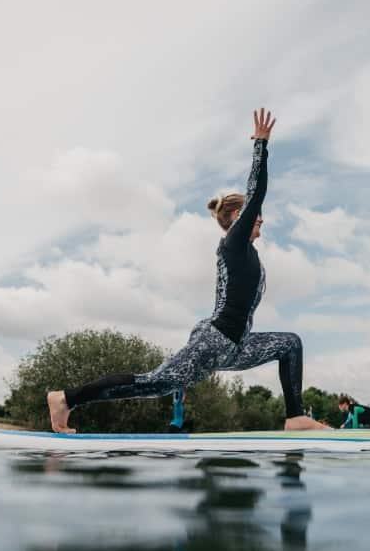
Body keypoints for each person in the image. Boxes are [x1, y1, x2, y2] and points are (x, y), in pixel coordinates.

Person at [46, 109, 326, 433]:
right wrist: (261, 145)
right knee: (153, 383)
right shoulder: (233, 243)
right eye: (254, 214)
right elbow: (257, 191)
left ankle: (294, 417)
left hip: (236, 345)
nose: (261, 218)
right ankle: (66, 399)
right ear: (238, 216)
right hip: (215, 342)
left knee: (289, 344)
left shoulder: (249, 253)